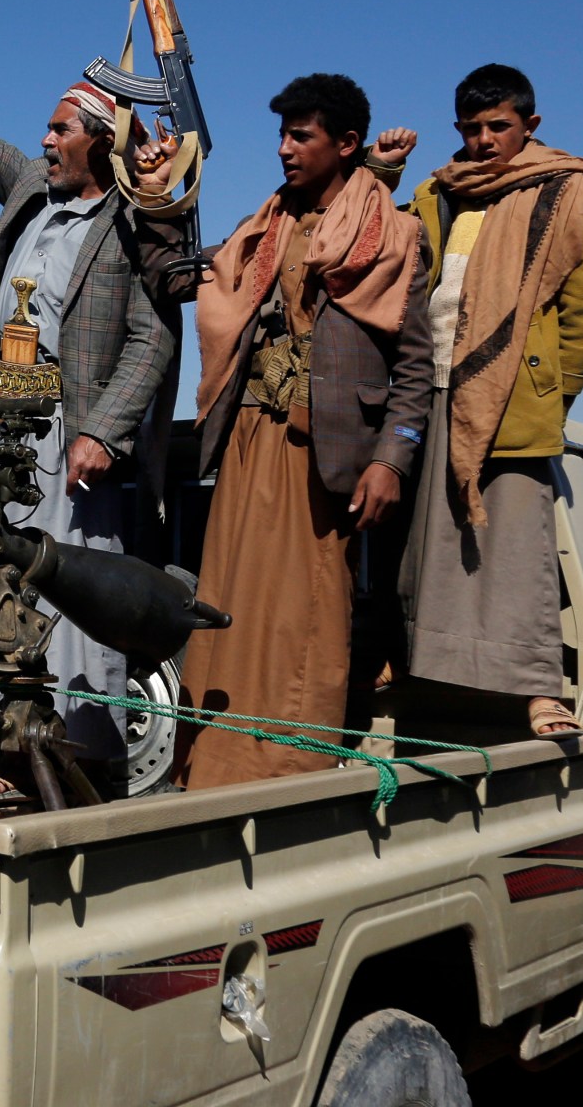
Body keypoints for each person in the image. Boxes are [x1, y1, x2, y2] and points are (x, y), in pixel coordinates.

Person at [150, 74, 435, 789]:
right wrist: (158, 197)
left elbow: (415, 361)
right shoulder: (263, 229)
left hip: (326, 453)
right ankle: (213, 766)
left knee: (303, 617)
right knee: (231, 610)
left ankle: (287, 769)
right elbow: (175, 275)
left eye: (299, 136)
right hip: (249, 440)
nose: (283, 150)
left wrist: (391, 462)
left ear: (346, 144)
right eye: (280, 135)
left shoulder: (396, 236)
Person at [0, 0, 183, 794]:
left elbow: (153, 336)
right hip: (4, 419)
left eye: (60, 130)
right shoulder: (31, 191)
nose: (44, 141)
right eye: (45, 129)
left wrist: (104, 434)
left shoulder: (135, 221)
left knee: (75, 589)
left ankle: (85, 768)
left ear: (100, 142)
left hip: (74, 440)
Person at [394, 65, 583, 738]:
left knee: (515, 550)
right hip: (429, 390)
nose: (484, 141)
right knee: (423, 549)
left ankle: (538, 693)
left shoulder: (566, 192)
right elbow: (390, 256)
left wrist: (549, 392)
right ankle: (417, 671)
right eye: (471, 129)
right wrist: (381, 172)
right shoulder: (437, 191)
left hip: (512, 400)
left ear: (530, 125)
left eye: (498, 127)